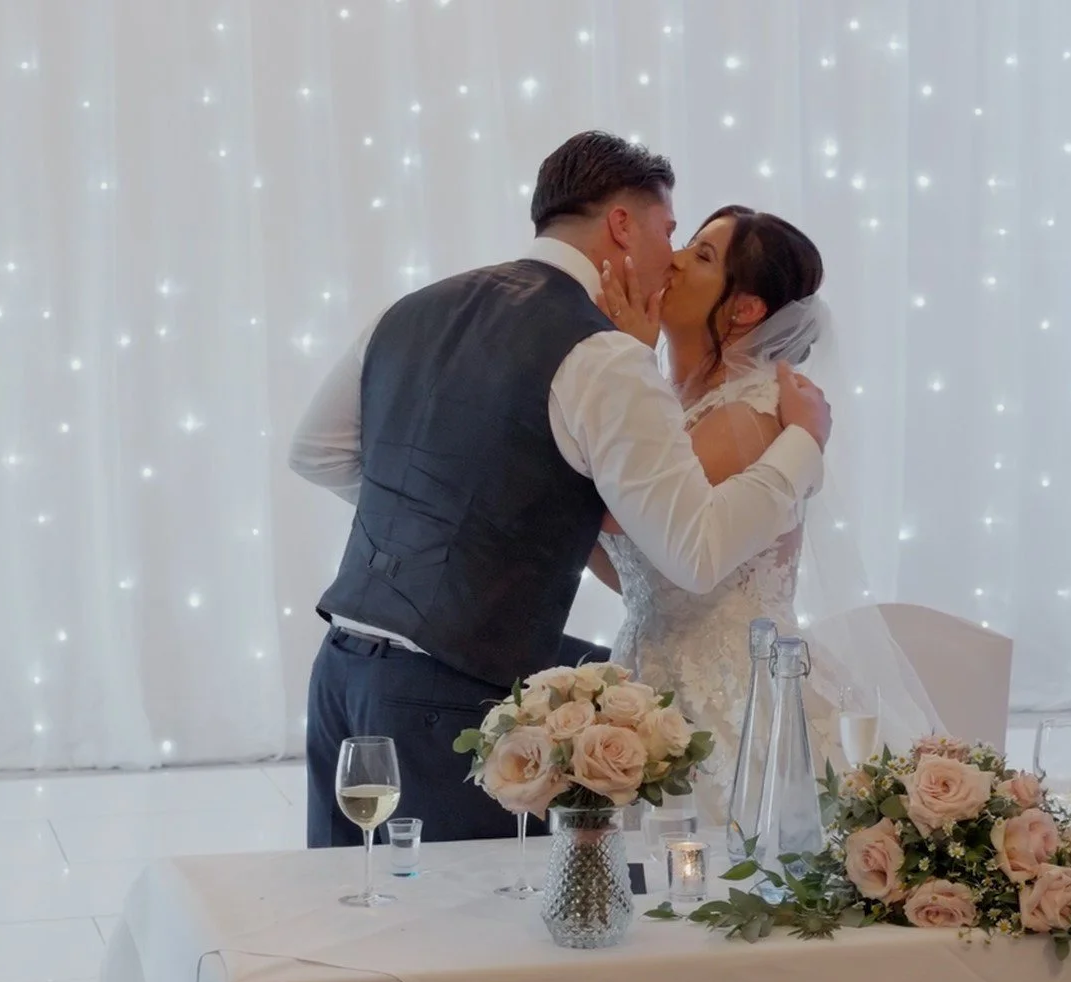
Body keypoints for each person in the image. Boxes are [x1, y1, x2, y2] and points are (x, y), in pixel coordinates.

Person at [286, 131, 835, 847]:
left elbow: (317, 452)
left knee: (348, 917)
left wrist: (442, 517)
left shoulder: (415, 306)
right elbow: (695, 551)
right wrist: (803, 446)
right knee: (462, 939)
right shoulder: (603, 355)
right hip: (448, 690)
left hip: (342, 670)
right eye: (670, 231)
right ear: (620, 224)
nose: (669, 254)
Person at [584, 205, 943, 823]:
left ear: (745, 308)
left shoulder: (750, 412)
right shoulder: (667, 403)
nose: (671, 259)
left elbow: (622, 514)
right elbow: (640, 566)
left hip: (733, 691)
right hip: (646, 671)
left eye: (701, 256)